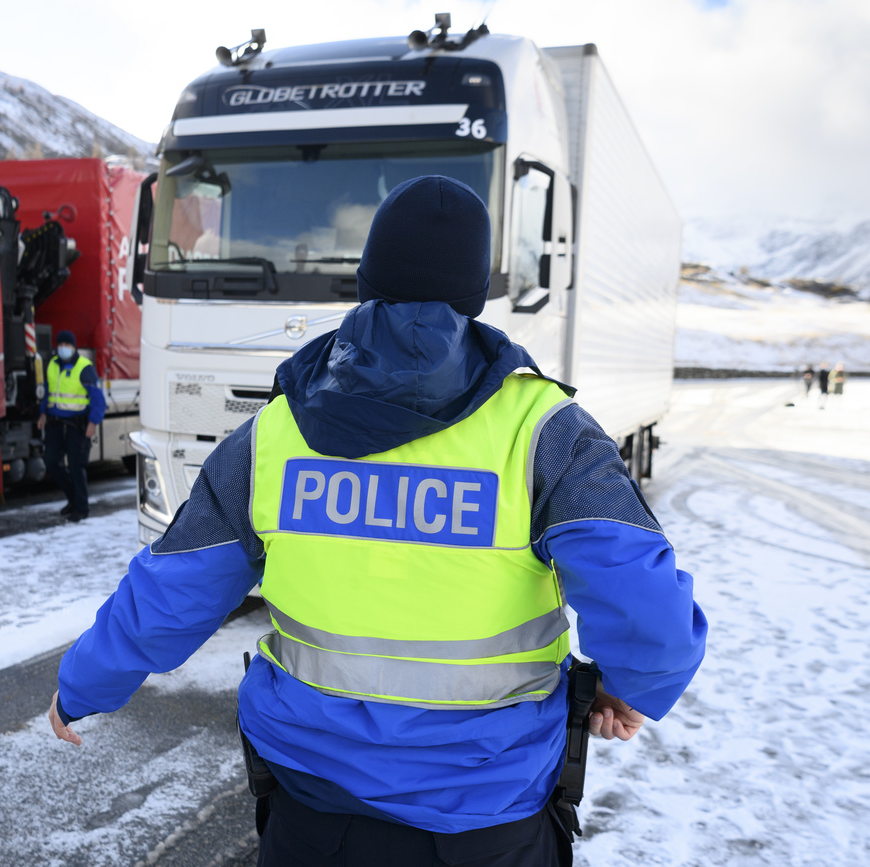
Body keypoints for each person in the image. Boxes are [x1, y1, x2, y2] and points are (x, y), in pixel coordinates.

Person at [46, 176, 707, 866]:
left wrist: (82, 684)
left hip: (312, 813)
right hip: (488, 821)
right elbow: (653, 617)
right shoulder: (543, 433)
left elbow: (169, 589)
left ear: (368, 278)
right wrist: (623, 687)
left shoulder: (277, 434)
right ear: (474, 291)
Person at [37, 329, 105, 521]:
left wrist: (93, 423)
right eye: (61, 345)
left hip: (77, 425)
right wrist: (43, 413)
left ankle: (81, 509)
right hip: (55, 424)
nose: (63, 348)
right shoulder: (52, 365)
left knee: (76, 467)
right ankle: (73, 499)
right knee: (51, 463)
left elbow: (98, 400)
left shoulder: (85, 367)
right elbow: (49, 393)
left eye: (67, 345)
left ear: (74, 347)